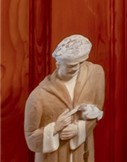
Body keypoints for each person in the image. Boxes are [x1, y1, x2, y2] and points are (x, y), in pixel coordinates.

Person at [24, 34, 105, 162]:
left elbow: (97, 111)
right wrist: (55, 128)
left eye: (80, 63)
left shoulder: (94, 75)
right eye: (70, 65)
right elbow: (31, 139)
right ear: (58, 64)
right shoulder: (39, 97)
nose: (76, 68)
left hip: (83, 155)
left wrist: (79, 130)